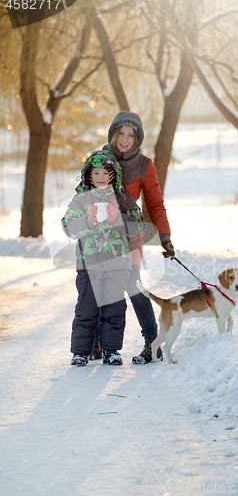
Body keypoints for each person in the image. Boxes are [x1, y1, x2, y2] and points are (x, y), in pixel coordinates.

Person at [96, 111, 175, 365]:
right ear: (113, 133)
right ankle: (98, 344)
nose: (125, 139)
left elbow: (155, 205)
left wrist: (165, 236)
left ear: (137, 138)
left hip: (131, 235)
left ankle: (153, 344)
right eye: (121, 133)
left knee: (132, 283)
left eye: (131, 135)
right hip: (103, 236)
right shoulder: (100, 159)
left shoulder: (144, 165)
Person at [62, 150, 143, 366]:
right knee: (86, 308)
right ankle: (81, 352)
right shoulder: (80, 200)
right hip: (89, 265)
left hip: (117, 264)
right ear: (88, 175)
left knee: (114, 308)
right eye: (95, 172)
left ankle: (111, 350)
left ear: (113, 176)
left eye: (105, 173)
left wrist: (118, 218)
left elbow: (137, 224)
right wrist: (87, 222)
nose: (100, 177)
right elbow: (68, 226)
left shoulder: (122, 198)